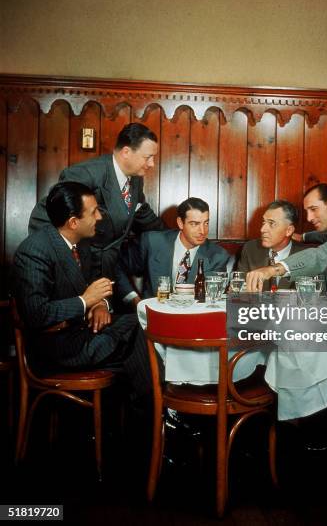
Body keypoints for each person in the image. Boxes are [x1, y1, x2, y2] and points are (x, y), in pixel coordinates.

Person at [13, 182, 152, 405]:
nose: (99, 217)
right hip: (54, 348)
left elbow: (94, 286)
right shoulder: (35, 251)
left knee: (144, 326)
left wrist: (99, 305)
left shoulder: (81, 245)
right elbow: (35, 314)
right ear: (73, 222)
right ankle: (154, 417)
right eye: (94, 212)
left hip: (81, 333)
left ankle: (143, 419)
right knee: (140, 348)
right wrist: (85, 301)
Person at [28, 123, 165, 280]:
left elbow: (142, 213)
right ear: (126, 152)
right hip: (77, 270)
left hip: (109, 270)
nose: (152, 164)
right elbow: (43, 215)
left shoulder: (136, 180)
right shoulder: (87, 174)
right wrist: (60, 261)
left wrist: (176, 235)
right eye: (148, 158)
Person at [116, 197, 231, 303]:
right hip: (154, 316)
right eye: (195, 224)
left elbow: (212, 298)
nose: (203, 231)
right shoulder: (152, 242)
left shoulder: (217, 256)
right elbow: (117, 266)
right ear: (180, 223)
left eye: (206, 223)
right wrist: (133, 299)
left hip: (193, 318)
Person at [237, 200, 308, 290]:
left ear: (289, 230)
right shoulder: (250, 249)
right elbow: (238, 288)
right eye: (263, 222)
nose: (262, 229)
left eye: (271, 223)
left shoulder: (305, 255)